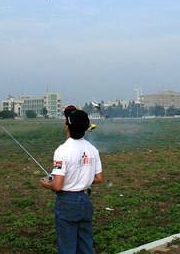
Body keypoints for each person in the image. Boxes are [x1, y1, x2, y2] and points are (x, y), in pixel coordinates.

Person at [40, 106, 103, 254]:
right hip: (86, 200)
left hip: (67, 202)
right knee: (86, 244)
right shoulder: (93, 149)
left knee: (67, 246)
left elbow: (57, 185)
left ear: (67, 126)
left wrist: (45, 183)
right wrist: (82, 180)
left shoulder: (62, 150)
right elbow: (99, 178)